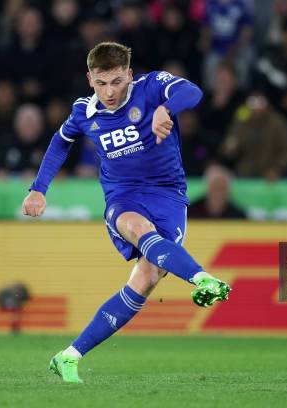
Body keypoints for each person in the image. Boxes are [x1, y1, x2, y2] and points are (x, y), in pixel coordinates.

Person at [21, 42, 231, 384]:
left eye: (117, 82)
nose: (110, 92)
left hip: (169, 196)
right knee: (137, 227)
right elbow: (61, 141)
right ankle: (202, 278)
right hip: (123, 197)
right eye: (102, 83)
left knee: (147, 278)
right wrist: (38, 188)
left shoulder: (151, 87)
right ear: (90, 79)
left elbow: (192, 91)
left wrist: (166, 109)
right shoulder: (83, 112)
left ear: (129, 75)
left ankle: (68, 356)